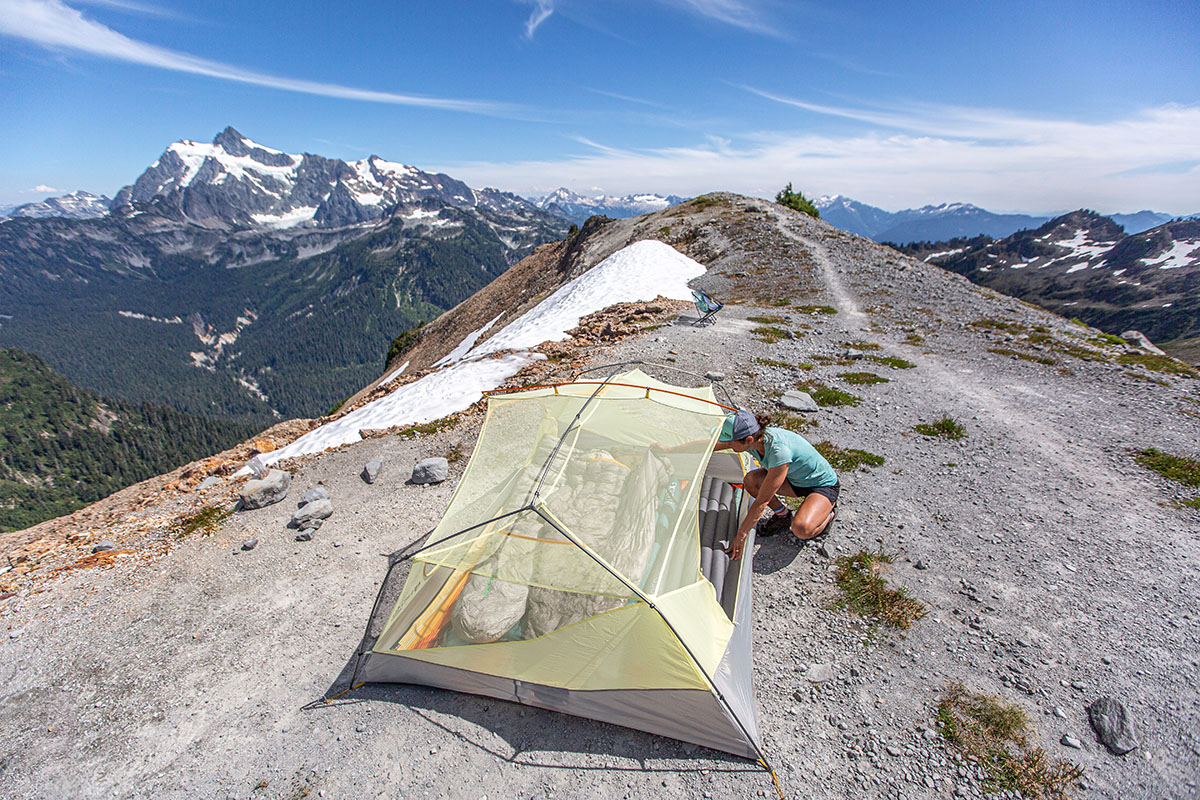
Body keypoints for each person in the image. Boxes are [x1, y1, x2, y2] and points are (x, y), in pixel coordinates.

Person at [716, 409, 839, 560]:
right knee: (751, 481)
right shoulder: (754, 439)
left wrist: (741, 535)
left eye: (730, 441)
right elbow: (715, 445)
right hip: (794, 480)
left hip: (821, 485)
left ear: (748, 440)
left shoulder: (778, 451)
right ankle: (783, 516)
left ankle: (829, 513)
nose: (727, 443)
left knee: (801, 529)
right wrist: (682, 449)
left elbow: (762, 501)